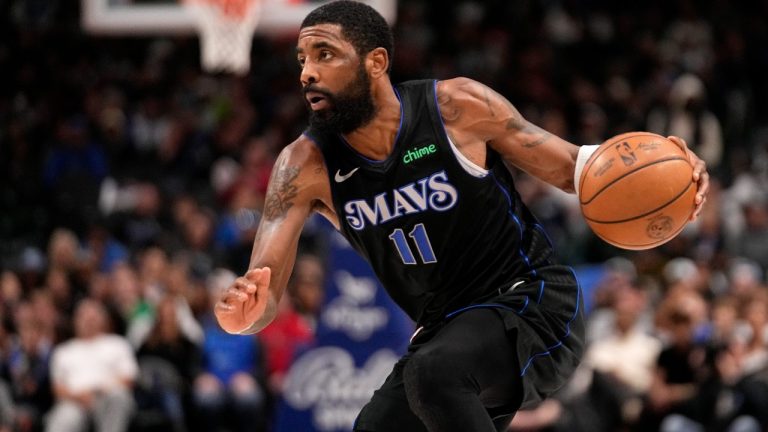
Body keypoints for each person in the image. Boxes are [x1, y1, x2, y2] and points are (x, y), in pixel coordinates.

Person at [213, 1, 710, 431]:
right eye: (302, 59)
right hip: (443, 332)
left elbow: (576, 171)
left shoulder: (455, 107)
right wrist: (245, 314)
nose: (306, 73)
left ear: (375, 62)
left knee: (434, 372)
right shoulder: (303, 165)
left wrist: (667, 172)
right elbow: (266, 288)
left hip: (531, 302)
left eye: (324, 54)